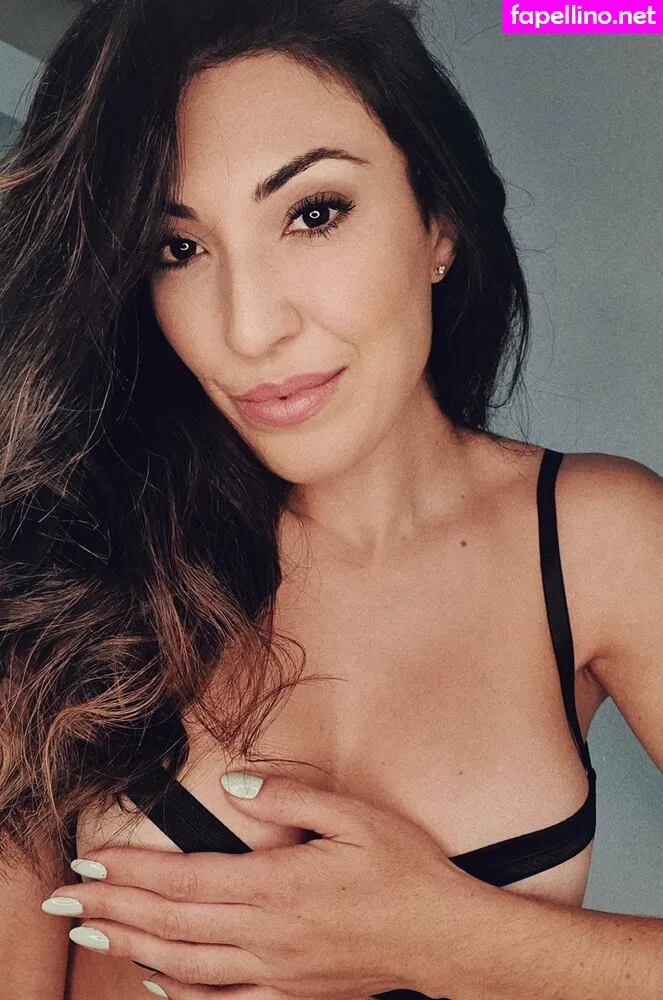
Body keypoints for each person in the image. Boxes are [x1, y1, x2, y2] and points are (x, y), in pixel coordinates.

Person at [1, 0, 661, 998]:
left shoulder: (598, 543)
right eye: (178, 248)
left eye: (312, 213)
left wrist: (448, 937)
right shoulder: (64, 570)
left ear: (438, 222)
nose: (249, 327)